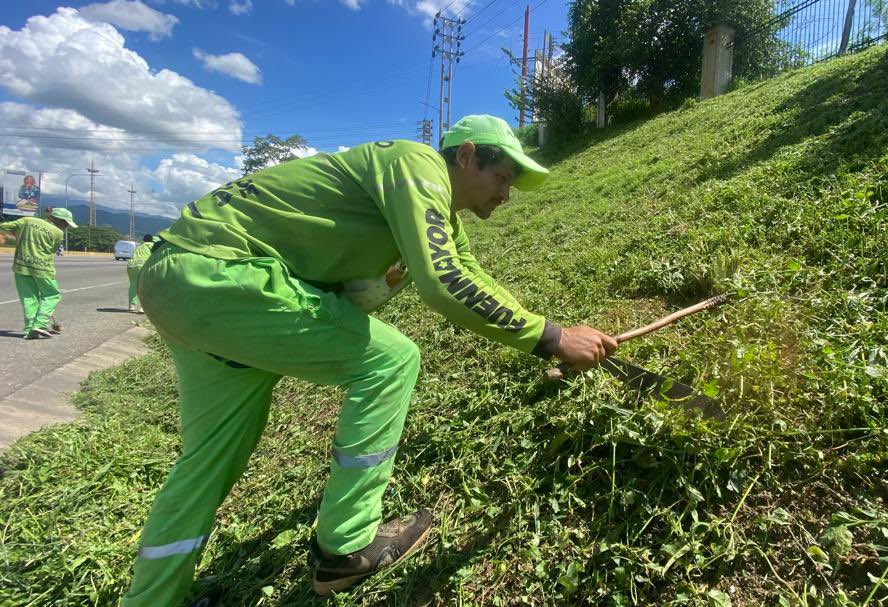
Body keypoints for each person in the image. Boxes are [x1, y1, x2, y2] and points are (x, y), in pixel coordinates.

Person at [122, 115, 617, 605]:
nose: (506, 194)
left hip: (179, 284)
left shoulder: (436, 213)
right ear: (466, 156)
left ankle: (151, 601)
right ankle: (346, 547)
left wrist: (554, 328)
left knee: (207, 461)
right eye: (503, 177)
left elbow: (468, 273)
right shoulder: (416, 163)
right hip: (221, 275)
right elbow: (442, 282)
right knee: (391, 361)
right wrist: (553, 339)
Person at [0, 208, 77, 339]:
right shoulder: (58, 233)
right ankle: (40, 324)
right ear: (58, 220)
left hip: (21, 266)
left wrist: (17, 233)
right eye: (66, 224)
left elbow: (4, 226)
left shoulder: (27, 220)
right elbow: (52, 250)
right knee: (52, 295)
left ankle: (29, 330)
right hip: (43, 269)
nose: (66, 227)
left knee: (29, 298)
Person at [127, 234, 155, 312]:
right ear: (152, 240)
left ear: (143, 240)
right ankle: (143, 307)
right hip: (143, 266)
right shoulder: (152, 245)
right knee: (146, 286)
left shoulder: (138, 247)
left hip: (131, 266)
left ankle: (132, 305)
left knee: (133, 285)